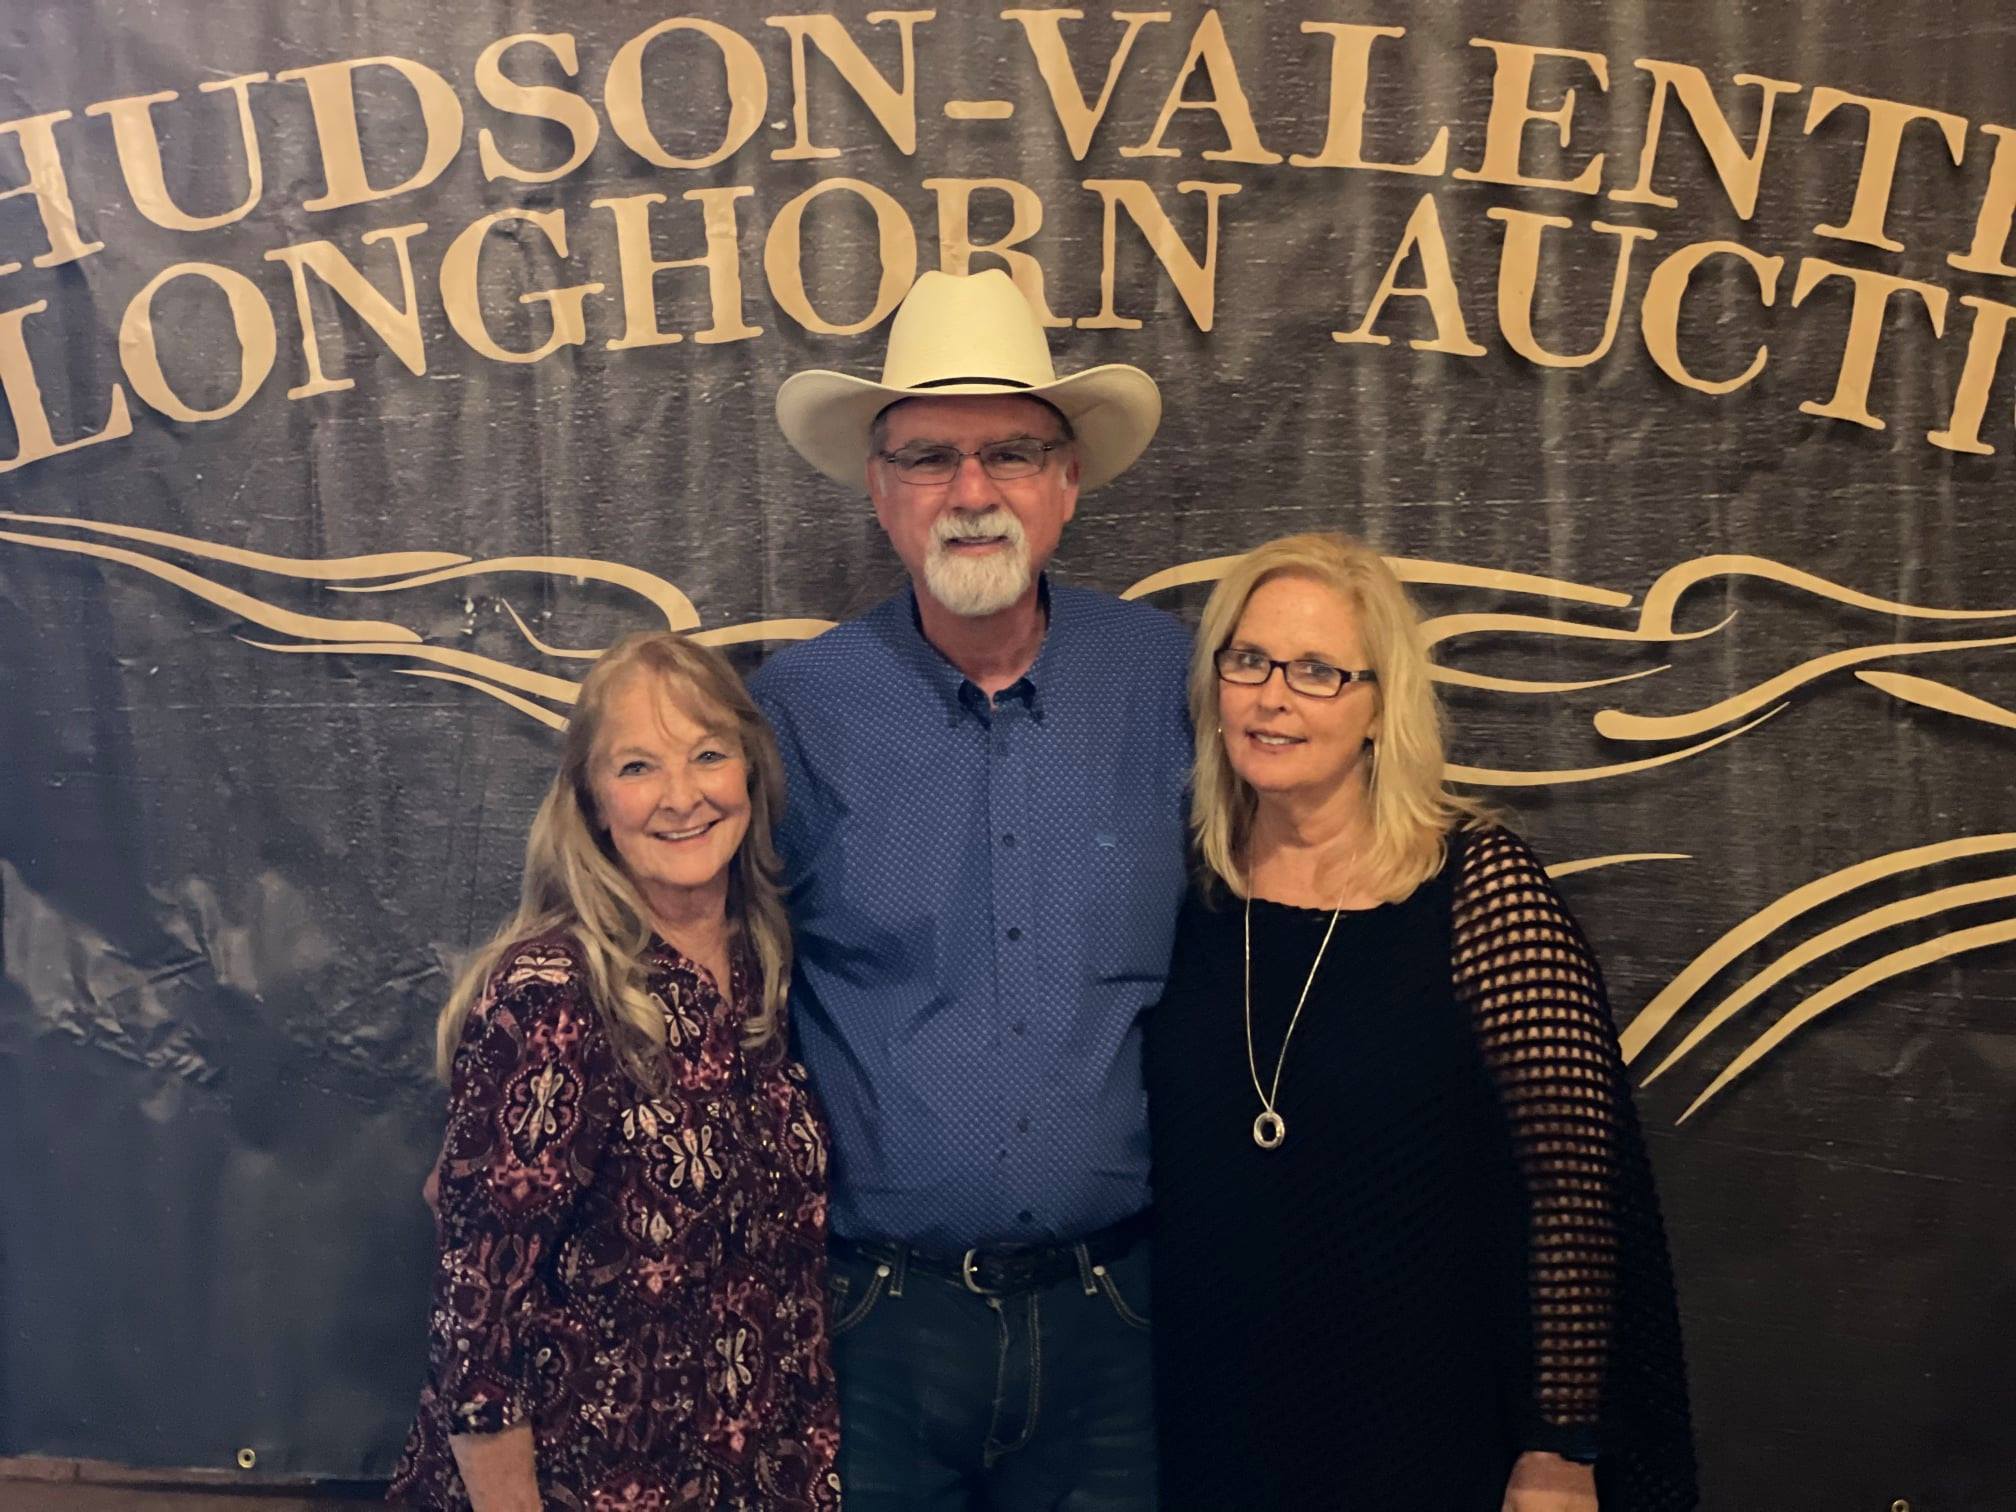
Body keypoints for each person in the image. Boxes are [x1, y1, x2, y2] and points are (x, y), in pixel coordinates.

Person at [749, 268, 1190, 1510]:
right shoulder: (797, 709)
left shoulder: (1173, 685)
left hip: (1121, 1318)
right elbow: (700, 964)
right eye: (930, 457)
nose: (972, 492)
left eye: (1011, 452)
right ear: (881, 493)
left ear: (1068, 483)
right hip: (878, 1320)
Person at [1146, 533, 1697, 1512]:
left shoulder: (1480, 889)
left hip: (1426, 1423)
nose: (1273, 697)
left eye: (1318, 672)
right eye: (1249, 660)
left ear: (1378, 706)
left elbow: (1573, 1185)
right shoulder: (1192, 889)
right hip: (1213, 1422)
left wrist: (1559, 1446)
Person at [389, 632, 840, 1512]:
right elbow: (478, 1329)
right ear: (593, 801)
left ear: (749, 770)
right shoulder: (552, 997)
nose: (682, 797)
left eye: (708, 754)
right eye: (638, 767)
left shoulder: (761, 968)